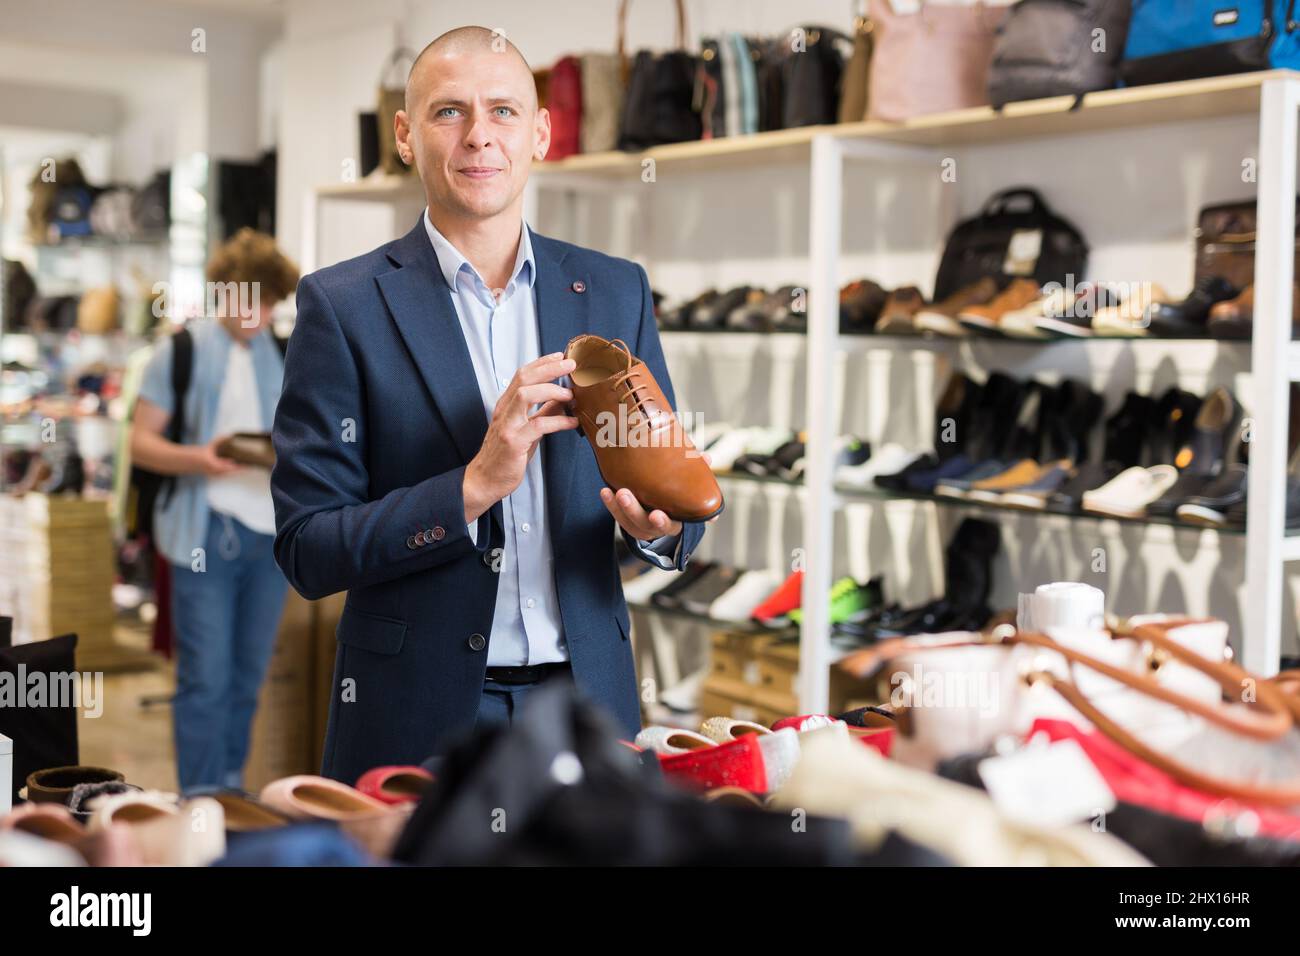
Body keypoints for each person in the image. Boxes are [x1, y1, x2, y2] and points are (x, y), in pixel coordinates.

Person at [272, 26, 708, 784]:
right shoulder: (341, 306)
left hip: (589, 705)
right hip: (417, 717)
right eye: (449, 112)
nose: (480, 137)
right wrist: (472, 486)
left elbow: (669, 485)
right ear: (405, 136)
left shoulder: (615, 289)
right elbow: (309, 549)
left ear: (540, 133)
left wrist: (659, 533)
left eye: (504, 111)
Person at [131, 228, 298, 790]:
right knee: (205, 677)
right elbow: (140, 442)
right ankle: (199, 796)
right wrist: (200, 458)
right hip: (201, 532)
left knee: (248, 676)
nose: (258, 314)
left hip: (269, 537)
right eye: (249, 299)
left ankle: (227, 787)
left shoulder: (284, 351)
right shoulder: (177, 352)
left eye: (269, 302)